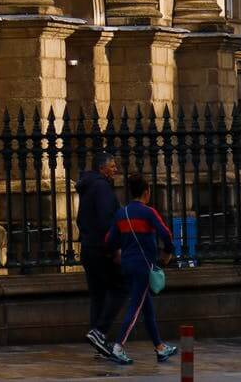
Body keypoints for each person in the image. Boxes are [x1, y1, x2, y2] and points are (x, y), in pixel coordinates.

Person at [104, 173, 178, 366]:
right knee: (136, 307)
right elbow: (166, 233)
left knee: (147, 309)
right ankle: (118, 347)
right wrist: (168, 252)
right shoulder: (148, 212)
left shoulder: (122, 214)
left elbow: (109, 240)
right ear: (147, 192)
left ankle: (160, 348)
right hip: (143, 266)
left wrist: (115, 254)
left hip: (127, 265)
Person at [75, 149, 125, 357]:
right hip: (102, 249)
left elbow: (81, 219)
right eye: (112, 166)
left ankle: (98, 340)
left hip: (88, 247)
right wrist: (114, 248)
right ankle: (100, 331)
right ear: (102, 167)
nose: (115, 170)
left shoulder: (88, 186)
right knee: (120, 288)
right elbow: (107, 222)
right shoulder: (102, 187)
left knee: (98, 295)